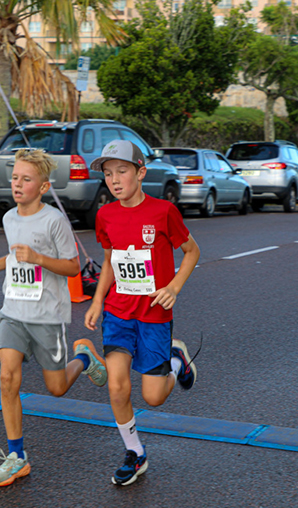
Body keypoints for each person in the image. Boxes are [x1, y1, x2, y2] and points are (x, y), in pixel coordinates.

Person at [0, 148, 107, 487]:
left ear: (43, 187)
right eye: (14, 177)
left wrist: (39, 258)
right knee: (7, 378)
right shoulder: (9, 218)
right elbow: (17, 255)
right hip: (13, 310)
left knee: (56, 388)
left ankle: (83, 359)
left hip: (47, 316)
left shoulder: (54, 221)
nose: (17, 184)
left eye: (25, 179)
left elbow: (73, 266)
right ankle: (17, 457)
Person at [84, 140, 201, 486]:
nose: (115, 180)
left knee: (153, 396)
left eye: (122, 171)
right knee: (118, 387)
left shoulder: (163, 211)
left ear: (141, 172)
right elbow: (108, 261)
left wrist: (174, 288)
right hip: (118, 313)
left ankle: (176, 360)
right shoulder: (105, 215)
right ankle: (135, 452)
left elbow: (192, 252)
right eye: (108, 174)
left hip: (153, 315)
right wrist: (96, 301)